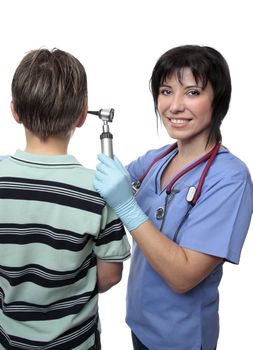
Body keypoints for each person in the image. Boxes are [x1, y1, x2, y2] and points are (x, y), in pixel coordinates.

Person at [94, 45, 253, 350]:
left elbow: (183, 276)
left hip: (182, 338)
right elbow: (98, 194)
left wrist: (126, 205)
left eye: (192, 92)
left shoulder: (230, 179)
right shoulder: (157, 160)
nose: (175, 106)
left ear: (217, 100)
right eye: (166, 91)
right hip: (140, 324)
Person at [0, 48, 130, 350]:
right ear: (82, 116)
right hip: (76, 342)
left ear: (14, 111)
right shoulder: (99, 190)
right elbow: (110, 276)